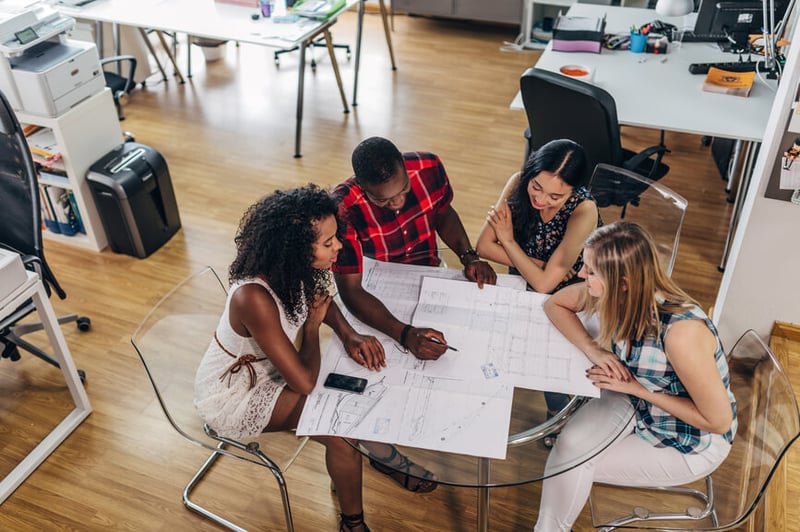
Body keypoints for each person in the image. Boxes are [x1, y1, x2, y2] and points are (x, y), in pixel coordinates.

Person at [194, 185, 385, 532]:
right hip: (237, 392)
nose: (338, 246)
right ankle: (352, 523)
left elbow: (320, 301)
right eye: (328, 243)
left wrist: (349, 334)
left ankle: (353, 468)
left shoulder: (288, 267)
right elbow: (305, 382)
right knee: (339, 430)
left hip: (277, 367)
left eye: (335, 237)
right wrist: (311, 328)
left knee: (358, 394)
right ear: (295, 247)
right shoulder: (253, 297)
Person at [534, 222, 737, 532]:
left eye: (590, 272)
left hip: (688, 439)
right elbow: (555, 303)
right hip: (638, 402)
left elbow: (718, 422)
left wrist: (638, 389)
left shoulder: (681, 335)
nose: (580, 275)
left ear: (623, 282)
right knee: (567, 450)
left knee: (568, 463)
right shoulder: (617, 297)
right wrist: (594, 350)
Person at [476, 139, 601, 445]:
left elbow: (547, 284)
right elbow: (482, 246)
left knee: (550, 354)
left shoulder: (584, 210)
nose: (541, 199)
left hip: (571, 292)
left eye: (556, 196)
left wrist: (507, 241)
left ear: (574, 190)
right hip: (525, 279)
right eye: (537, 187)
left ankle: (558, 415)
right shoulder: (518, 183)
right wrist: (539, 263)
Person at [333, 136, 497, 362]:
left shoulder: (429, 167)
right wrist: (404, 334)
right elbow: (350, 290)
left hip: (430, 270)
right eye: (384, 201)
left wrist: (468, 256)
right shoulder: (343, 208)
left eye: (404, 189)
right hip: (376, 295)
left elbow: (444, 213)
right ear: (362, 187)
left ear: (404, 165)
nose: (398, 202)